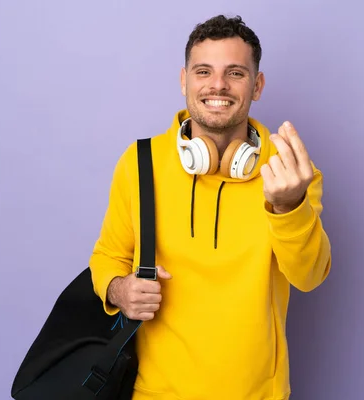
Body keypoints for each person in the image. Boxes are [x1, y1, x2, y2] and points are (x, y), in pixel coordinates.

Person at [89, 14, 332, 400]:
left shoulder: (290, 171)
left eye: (235, 73)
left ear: (258, 85)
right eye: (204, 71)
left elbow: (310, 276)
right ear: (184, 80)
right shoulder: (140, 162)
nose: (217, 85)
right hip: (155, 393)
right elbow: (108, 256)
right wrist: (119, 290)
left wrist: (288, 207)